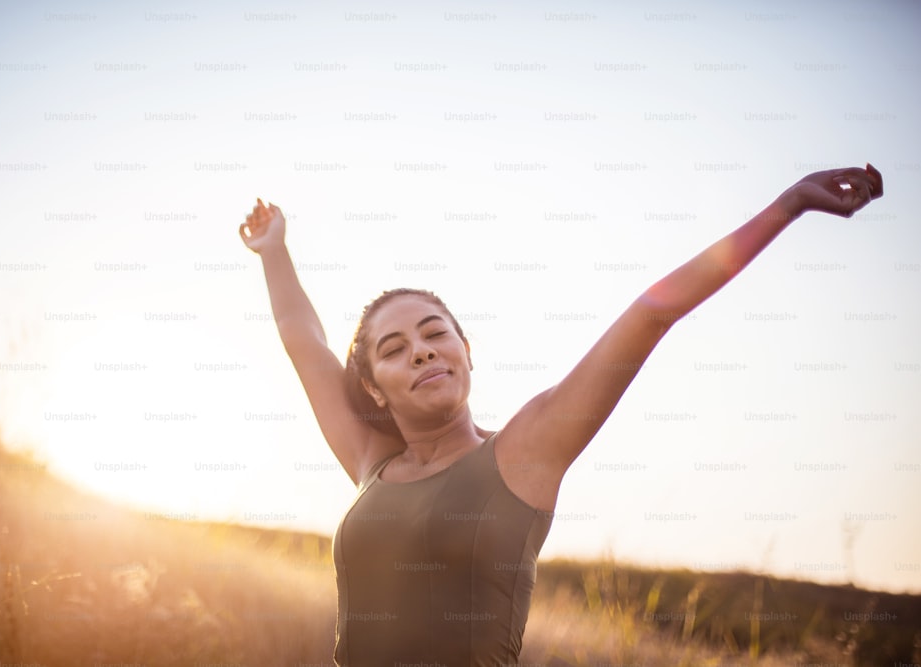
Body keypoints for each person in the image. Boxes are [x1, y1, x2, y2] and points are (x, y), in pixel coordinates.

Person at [238, 165, 883, 666]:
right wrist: (274, 251)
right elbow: (303, 339)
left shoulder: (524, 453)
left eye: (435, 333)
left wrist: (789, 205)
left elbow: (652, 312)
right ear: (373, 387)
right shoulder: (368, 460)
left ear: (466, 350)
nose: (422, 351)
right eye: (394, 349)